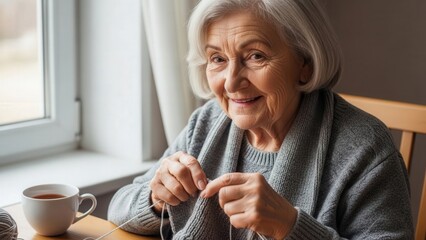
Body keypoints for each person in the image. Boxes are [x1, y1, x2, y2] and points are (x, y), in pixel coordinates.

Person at [108, 0, 414, 239]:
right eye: (217, 59)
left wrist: (290, 227)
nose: (230, 83)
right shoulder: (207, 122)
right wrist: (156, 200)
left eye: (255, 56)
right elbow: (119, 205)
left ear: (305, 63)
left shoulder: (365, 149)